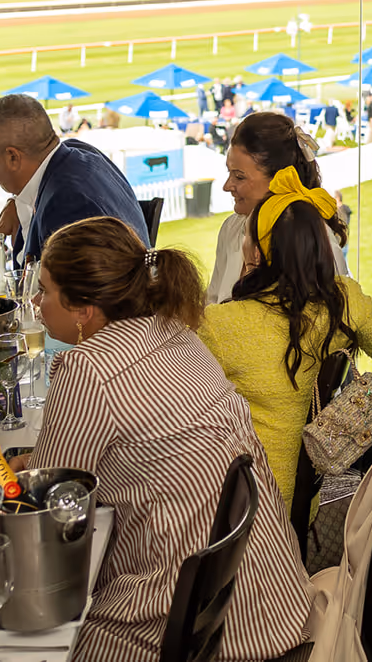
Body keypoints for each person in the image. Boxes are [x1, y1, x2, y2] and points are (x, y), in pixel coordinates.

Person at [23, 217, 310, 661]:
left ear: (84, 310)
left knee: (25, 637)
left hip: (188, 625)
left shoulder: (89, 369)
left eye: (44, 289)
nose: (37, 303)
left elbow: (53, 510)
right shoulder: (177, 330)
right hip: (271, 595)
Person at [199, 169, 372, 513]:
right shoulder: (341, 301)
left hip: (243, 507)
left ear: (255, 252)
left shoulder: (222, 325)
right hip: (306, 498)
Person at [0, 94, 149, 266]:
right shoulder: (79, 152)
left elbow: (34, 286)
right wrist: (20, 204)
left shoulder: (65, 203)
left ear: (13, 157)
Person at [207, 112, 347, 304]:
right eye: (229, 173)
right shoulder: (231, 228)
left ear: (281, 179)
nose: (227, 186)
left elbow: (330, 317)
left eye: (239, 176)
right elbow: (212, 304)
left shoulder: (312, 237)